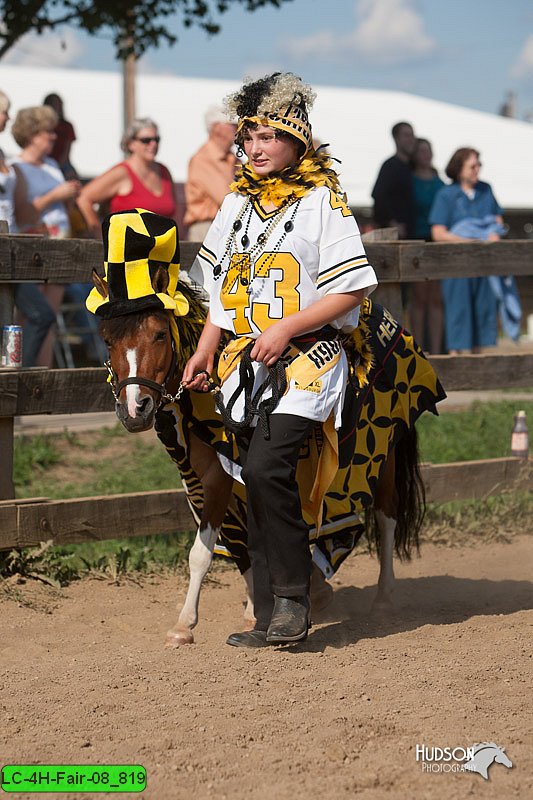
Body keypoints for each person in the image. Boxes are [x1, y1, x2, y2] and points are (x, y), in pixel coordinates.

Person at [183, 72, 378, 648]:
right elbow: (220, 291)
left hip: (308, 358)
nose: (256, 146)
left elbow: (352, 291)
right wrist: (203, 349)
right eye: (248, 136)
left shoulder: (324, 202)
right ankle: (268, 610)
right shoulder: (236, 203)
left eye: (269, 135)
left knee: (267, 468)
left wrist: (288, 328)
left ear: (298, 140)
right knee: (252, 480)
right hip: (243, 366)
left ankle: (295, 601)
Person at [11, 105, 81, 367]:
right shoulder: (15, 167)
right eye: (47, 132)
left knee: (49, 316)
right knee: (28, 316)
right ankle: (23, 371)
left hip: (59, 245)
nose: (53, 137)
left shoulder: (52, 165)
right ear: (31, 134)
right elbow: (22, 214)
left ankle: (44, 374)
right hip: (33, 247)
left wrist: (69, 198)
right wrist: (56, 195)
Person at [0, 91, 57, 367]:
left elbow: (19, 206)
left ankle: (17, 378)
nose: (8, 117)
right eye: (3, 111)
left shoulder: (4, 156)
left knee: (40, 315)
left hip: (12, 244)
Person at [429, 147, 504, 353]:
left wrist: (492, 234)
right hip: (457, 266)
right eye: (472, 166)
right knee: (458, 313)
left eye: (479, 165)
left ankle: (479, 366)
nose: (477, 169)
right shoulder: (446, 195)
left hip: (484, 264)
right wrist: (468, 239)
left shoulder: (486, 190)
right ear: (459, 167)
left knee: (483, 312)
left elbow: (497, 221)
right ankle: (457, 362)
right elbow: (438, 232)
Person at [77, 117, 176, 240]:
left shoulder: (164, 172)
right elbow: (83, 198)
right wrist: (100, 237)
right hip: (128, 254)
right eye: (146, 140)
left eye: (156, 139)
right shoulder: (122, 173)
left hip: (163, 252)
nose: (153, 144)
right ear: (131, 144)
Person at [409, 137, 445, 353]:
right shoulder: (410, 180)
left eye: (428, 150)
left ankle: (438, 347)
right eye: (421, 150)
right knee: (419, 298)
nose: (426, 154)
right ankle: (420, 347)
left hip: (437, 242)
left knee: (436, 298)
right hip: (417, 240)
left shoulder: (438, 182)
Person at [184, 105, 238, 241]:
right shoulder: (202, 159)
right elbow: (227, 198)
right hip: (207, 227)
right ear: (217, 128)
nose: (238, 128)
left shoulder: (233, 159)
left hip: (227, 225)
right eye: (232, 124)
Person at [371, 121, 417, 238]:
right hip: (398, 236)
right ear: (396, 138)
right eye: (406, 135)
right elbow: (379, 196)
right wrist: (392, 223)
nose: (411, 139)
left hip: (417, 233)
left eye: (412, 135)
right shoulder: (390, 166)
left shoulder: (414, 166)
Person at [43, 93, 78, 179]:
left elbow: (67, 149)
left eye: (57, 104)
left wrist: (58, 166)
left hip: (62, 163)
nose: (53, 137)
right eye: (52, 104)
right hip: (43, 161)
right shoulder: (41, 124)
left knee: (72, 178)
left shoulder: (67, 126)